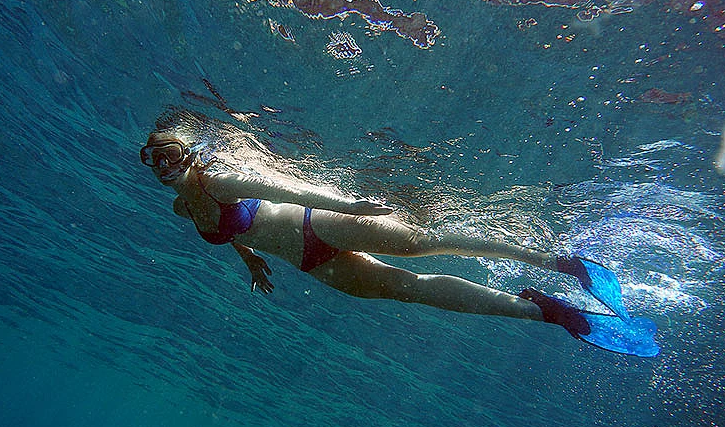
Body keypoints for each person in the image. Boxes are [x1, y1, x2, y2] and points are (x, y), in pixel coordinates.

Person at [140, 113, 658, 356]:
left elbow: (283, 186)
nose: (161, 165)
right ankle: (546, 310)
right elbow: (229, 232)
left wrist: (348, 204)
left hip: (315, 222)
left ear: (185, 156)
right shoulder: (181, 208)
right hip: (312, 263)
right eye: (152, 158)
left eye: (168, 155)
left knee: (430, 241)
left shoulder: (220, 180)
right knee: (415, 289)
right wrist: (250, 260)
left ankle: (563, 264)